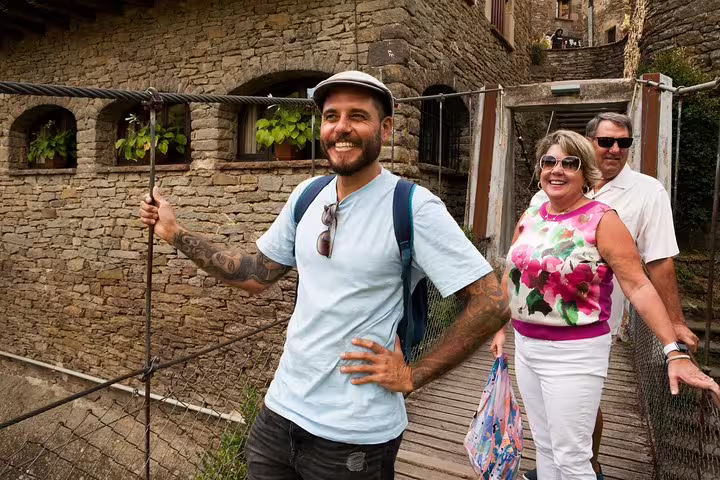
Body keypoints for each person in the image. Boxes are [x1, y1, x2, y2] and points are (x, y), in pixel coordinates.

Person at [139, 70, 510, 480]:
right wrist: (176, 233)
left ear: (385, 129)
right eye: (331, 116)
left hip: (355, 435)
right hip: (279, 414)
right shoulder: (307, 195)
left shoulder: (414, 207)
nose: (342, 128)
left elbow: (492, 304)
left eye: (357, 116)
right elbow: (254, 275)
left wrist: (413, 376)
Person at [490, 130, 719, 480]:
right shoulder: (533, 214)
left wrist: (673, 350)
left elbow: (639, 285)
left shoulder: (603, 219)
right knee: (547, 445)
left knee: (573, 457)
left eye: (570, 163)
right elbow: (513, 274)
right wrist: (498, 327)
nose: (557, 170)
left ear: (586, 173)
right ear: (540, 170)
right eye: (549, 162)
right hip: (527, 346)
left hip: (575, 352)